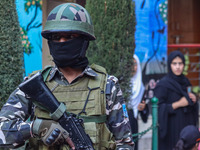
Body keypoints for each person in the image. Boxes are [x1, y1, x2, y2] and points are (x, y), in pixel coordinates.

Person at [0, 3, 134, 150]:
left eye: (69, 36)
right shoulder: (36, 85)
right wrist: (36, 127)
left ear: (84, 41)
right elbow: (2, 129)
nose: (62, 42)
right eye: (56, 37)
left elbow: (124, 144)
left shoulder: (107, 86)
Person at [154, 50, 198, 150]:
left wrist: (194, 99)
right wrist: (178, 104)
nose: (178, 67)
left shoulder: (185, 81)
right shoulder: (163, 84)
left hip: (186, 128)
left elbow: (190, 101)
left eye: (180, 63)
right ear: (170, 65)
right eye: (174, 63)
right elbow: (158, 109)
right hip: (171, 130)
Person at [127, 54, 148, 150]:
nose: (133, 67)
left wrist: (143, 108)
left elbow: (144, 115)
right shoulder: (120, 84)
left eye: (135, 64)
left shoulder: (141, 87)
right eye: (130, 64)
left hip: (133, 125)